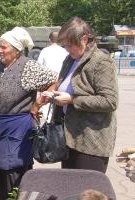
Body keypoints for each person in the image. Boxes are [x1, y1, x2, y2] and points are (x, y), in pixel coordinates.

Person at [0, 27, 57, 200]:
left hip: (16, 127)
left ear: (16, 50)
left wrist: (37, 105)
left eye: (3, 47)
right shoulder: (0, 65)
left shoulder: (27, 66)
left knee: (14, 171)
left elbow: (54, 80)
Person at [41, 17, 118, 174]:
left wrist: (72, 100)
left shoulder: (101, 61)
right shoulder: (70, 59)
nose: (66, 48)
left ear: (84, 39)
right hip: (69, 139)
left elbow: (110, 101)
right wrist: (54, 95)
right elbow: (66, 87)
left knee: (88, 194)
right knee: (70, 191)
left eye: (69, 44)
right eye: (64, 45)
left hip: (91, 143)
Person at [37, 31, 68, 122]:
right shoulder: (65, 51)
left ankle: (46, 127)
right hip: (60, 84)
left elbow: (39, 68)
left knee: (46, 110)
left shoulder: (44, 51)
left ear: (49, 40)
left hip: (47, 85)